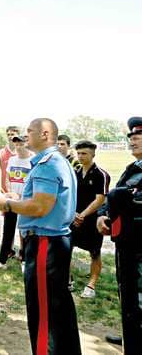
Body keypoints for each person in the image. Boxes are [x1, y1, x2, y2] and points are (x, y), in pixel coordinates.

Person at [0, 118, 81, 354]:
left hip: (45, 244)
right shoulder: (58, 161)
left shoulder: (48, 164)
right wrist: (18, 200)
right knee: (58, 308)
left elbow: (40, 207)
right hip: (53, 241)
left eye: (29, 132)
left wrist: (8, 204)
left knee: (44, 312)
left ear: (44, 134)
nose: (25, 136)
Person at [96, 116, 142, 353]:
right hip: (127, 246)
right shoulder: (132, 169)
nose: (133, 140)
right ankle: (131, 335)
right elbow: (114, 196)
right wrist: (103, 215)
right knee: (129, 295)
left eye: (138, 136)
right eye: (131, 137)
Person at [69, 140, 110, 298]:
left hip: (92, 220)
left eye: (84, 153)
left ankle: (91, 286)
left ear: (93, 154)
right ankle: (68, 280)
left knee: (94, 253)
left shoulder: (101, 174)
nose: (80, 156)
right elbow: (70, 195)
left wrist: (83, 215)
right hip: (74, 219)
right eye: (78, 153)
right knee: (68, 249)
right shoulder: (75, 172)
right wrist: (73, 213)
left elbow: (100, 199)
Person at [0, 135, 32, 270]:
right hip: (12, 201)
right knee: (8, 230)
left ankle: (25, 260)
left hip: (25, 202)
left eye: (21, 144)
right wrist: (10, 192)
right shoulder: (12, 160)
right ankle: (2, 261)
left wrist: (21, 196)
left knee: (25, 232)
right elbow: (7, 178)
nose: (18, 147)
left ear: (27, 144)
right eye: (16, 144)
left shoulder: (33, 160)